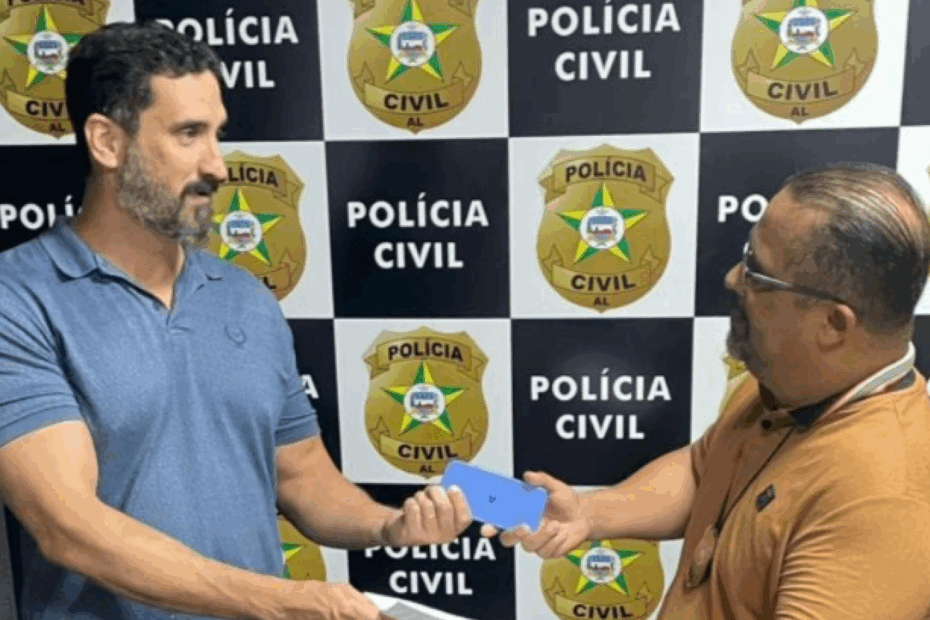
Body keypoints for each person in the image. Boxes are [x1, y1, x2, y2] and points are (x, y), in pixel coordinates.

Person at [0, 21, 471, 620]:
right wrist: (282, 601)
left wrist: (390, 526)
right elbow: (68, 526)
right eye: (189, 134)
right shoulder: (17, 300)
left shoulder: (246, 297)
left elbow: (302, 479)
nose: (218, 166)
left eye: (217, 134)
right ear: (107, 142)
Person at [483, 163, 930, 618]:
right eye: (746, 254)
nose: (734, 277)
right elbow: (704, 472)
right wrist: (589, 513)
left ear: (832, 324)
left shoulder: (886, 501)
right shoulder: (792, 383)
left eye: (758, 274)